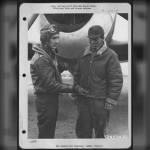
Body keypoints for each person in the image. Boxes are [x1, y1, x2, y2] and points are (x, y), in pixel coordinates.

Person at [30, 24, 88, 138]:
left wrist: (64, 65)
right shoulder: (41, 60)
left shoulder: (49, 54)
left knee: (49, 130)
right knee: (46, 133)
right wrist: (74, 88)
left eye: (57, 37)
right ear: (45, 40)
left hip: (50, 99)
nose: (57, 41)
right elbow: (51, 85)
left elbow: (52, 69)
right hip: (45, 101)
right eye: (53, 38)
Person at [73, 25, 123, 138]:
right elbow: (77, 75)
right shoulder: (83, 54)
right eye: (90, 39)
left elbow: (116, 80)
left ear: (102, 38)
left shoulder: (111, 56)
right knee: (83, 132)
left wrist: (111, 100)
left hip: (100, 102)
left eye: (95, 39)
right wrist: (75, 91)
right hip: (84, 101)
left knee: (100, 133)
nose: (92, 41)